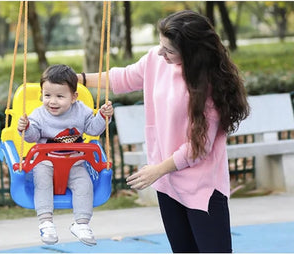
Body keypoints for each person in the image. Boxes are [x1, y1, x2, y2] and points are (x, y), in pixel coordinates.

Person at [77, 10, 249, 253]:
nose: (160, 53)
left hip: (203, 187)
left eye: (169, 50)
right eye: (161, 45)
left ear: (191, 53)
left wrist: (156, 170)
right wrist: (79, 79)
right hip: (167, 182)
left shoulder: (211, 85)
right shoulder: (156, 61)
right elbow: (123, 78)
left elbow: (198, 148)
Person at [17, 64, 113, 246]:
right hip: (45, 163)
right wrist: (26, 128)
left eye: (60, 96)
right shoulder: (38, 114)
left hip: (75, 162)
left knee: (84, 185)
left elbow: (93, 129)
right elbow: (32, 138)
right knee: (42, 184)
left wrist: (102, 116)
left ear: (74, 97)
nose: (52, 101)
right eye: (47, 95)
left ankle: (81, 224)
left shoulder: (82, 110)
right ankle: (46, 222)